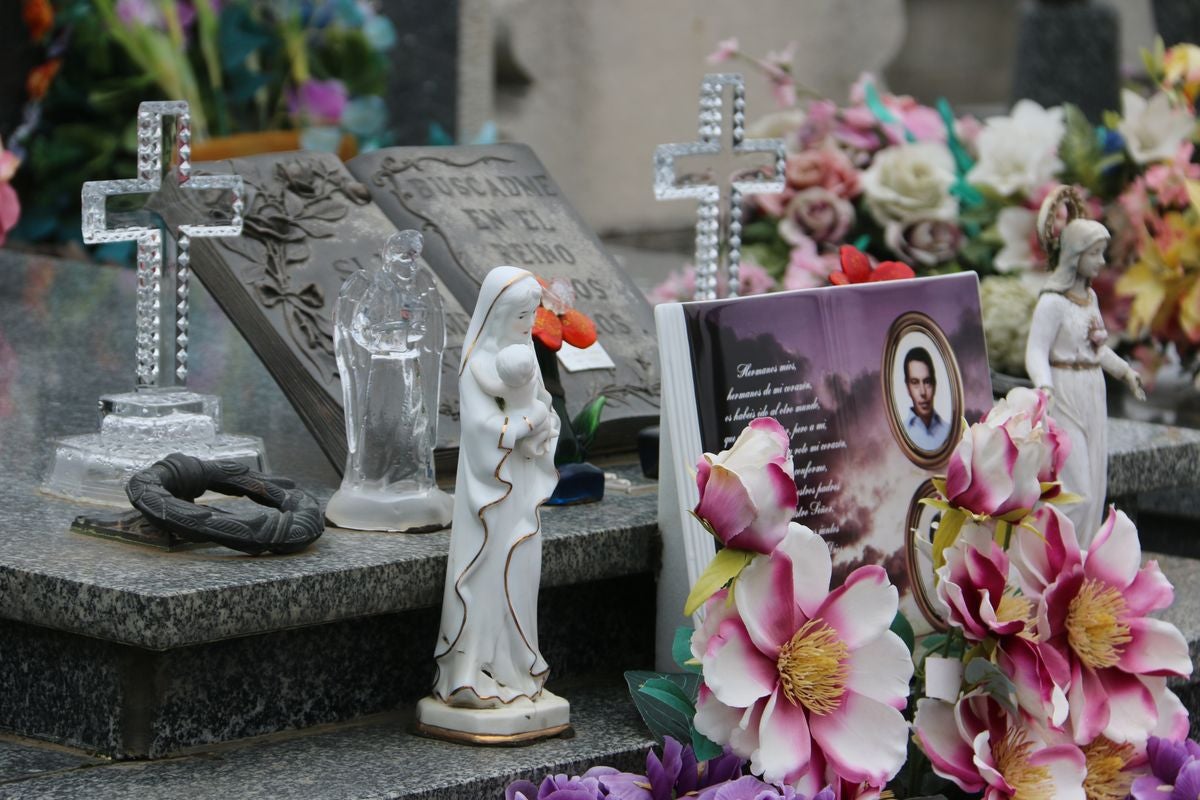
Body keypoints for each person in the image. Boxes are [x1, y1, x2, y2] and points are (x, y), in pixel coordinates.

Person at [431, 266, 560, 708]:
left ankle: (513, 666)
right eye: (520, 316)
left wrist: (545, 425)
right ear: (497, 314)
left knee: (520, 574)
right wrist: (525, 423)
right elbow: (481, 428)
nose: (528, 325)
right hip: (491, 492)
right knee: (487, 572)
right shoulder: (477, 365)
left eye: (532, 314)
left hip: (521, 484)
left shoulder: (523, 353)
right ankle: (470, 670)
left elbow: (543, 406)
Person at [1025, 215, 1144, 544]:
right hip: (1064, 390)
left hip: (1092, 389)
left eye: (1103, 252)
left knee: (1096, 484)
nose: (1102, 261)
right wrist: (1043, 385)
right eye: (1095, 253)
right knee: (1076, 490)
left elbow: (1098, 349)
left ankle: (1083, 559)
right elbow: (1036, 349)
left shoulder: (1089, 299)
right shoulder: (1052, 302)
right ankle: (1056, 557)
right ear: (1076, 254)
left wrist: (1124, 372)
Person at [902, 346, 949, 450]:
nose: (923, 392)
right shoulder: (900, 434)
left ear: (934, 385)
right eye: (915, 383)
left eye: (927, 382)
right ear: (907, 388)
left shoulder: (950, 432)